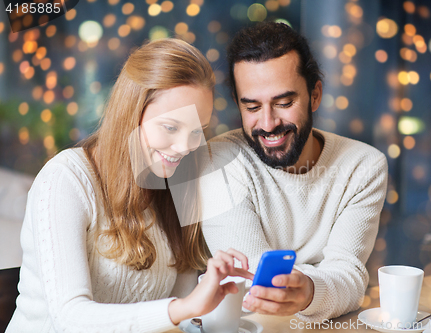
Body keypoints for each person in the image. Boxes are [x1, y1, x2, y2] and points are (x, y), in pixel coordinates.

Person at [7, 38, 252, 333]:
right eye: (171, 127)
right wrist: (184, 308)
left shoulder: (176, 183)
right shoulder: (65, 180)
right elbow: (69, 318)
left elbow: (181, 313)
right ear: (131, 114)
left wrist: (213, 294)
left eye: (196, 131)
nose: (184, 147)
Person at [199, 22, 388, 321]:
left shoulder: (363, 166)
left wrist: (309, 291)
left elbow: (351, 281)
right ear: (237, 104)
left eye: (284, 103)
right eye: (251, 107)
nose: (269, 123)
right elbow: (253, 283)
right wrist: (325, 285)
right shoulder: (217, 161)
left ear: (315, 95)